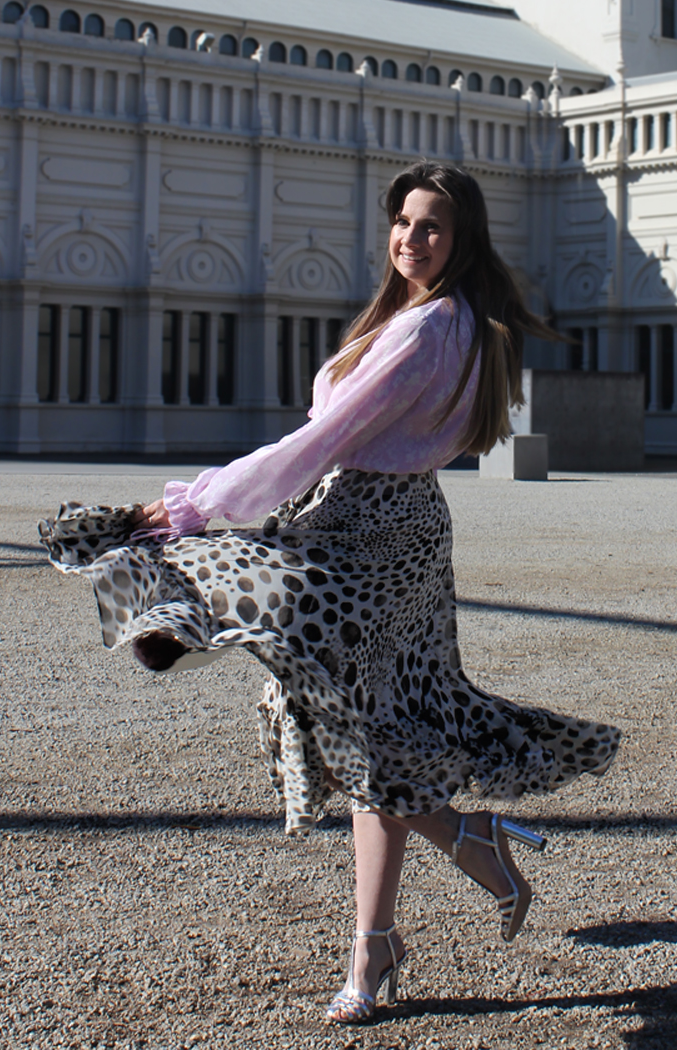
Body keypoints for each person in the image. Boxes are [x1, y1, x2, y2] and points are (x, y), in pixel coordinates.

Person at [40, 161, 620, 1026]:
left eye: (432, 227)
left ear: (462, 241)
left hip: (372, 537)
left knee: (357, 720)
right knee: (372, 723)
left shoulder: (428, 330)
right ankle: (397, 922)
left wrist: (197, 503)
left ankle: (454, 860)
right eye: (403, 221)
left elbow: (325, 438)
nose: (410, 239)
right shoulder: (420, 317)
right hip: (387, 526)